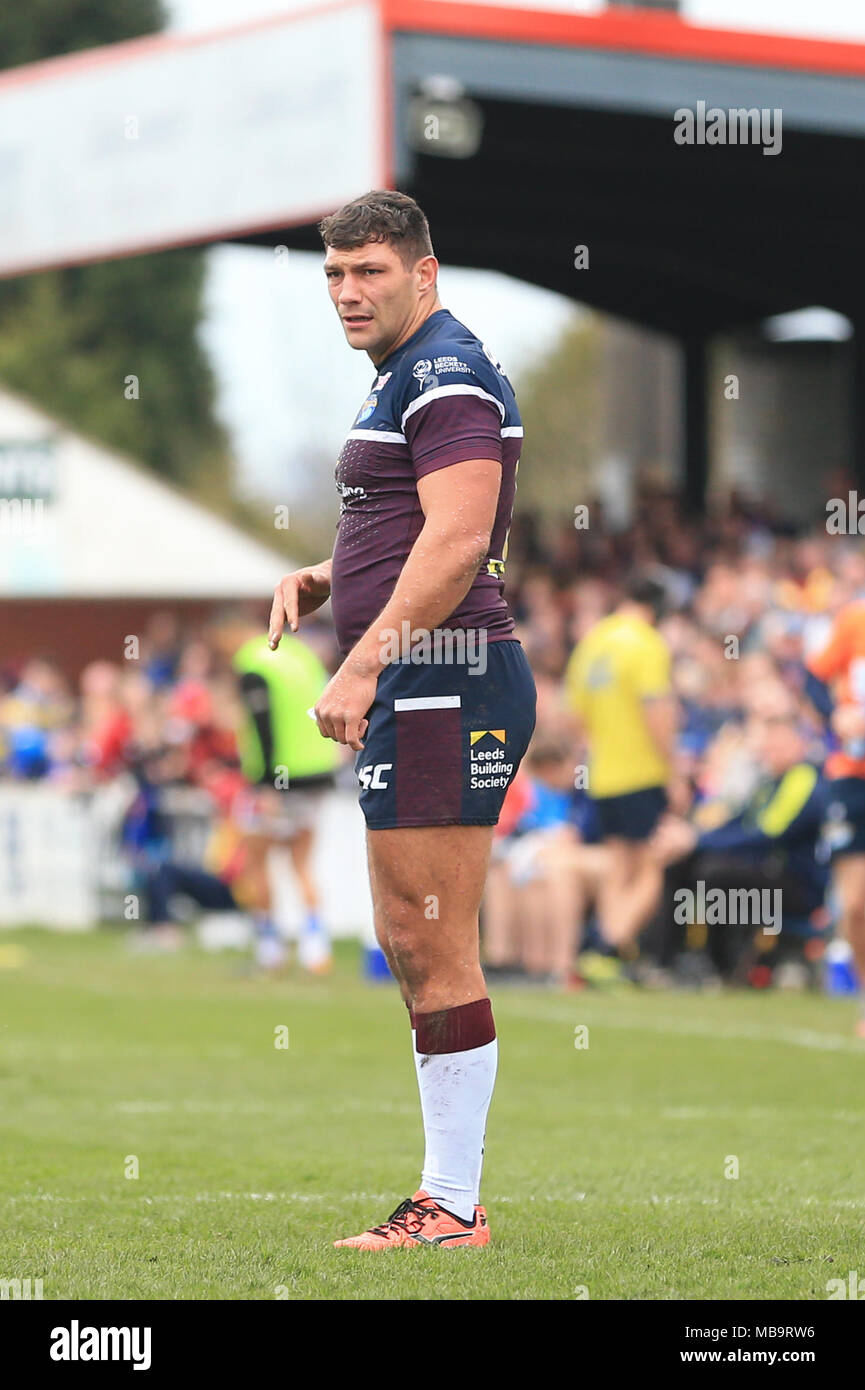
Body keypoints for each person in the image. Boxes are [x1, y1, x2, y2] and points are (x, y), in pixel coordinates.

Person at [269, 189, 536, 1249]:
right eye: (334, 274)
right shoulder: (404, 378)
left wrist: (362, 667)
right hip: (422, 675)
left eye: (369, 270)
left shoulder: (444, 371)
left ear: (423, 273)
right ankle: (449, 1198)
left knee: (432, 943)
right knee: (409, 939)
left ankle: (452, 1203)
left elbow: (461, 537)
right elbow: (415, 523)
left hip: (443, 675)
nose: (347, 292)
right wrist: (334, 575)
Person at [650, 699, 829, 983]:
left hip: (797, 884)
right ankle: (665, 962)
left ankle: (719, 965)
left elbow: (768, 834)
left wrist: (696, 840)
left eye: (778, 743)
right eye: (768, 743)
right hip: (763, 874)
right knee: (682, 863)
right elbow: (738, 822)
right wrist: (692, 838)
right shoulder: (768, 783)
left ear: (798, 742)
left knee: (715, 874)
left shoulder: (803, 779)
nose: (770, 750)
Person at [207, 609, 340, 973]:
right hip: (317, 773)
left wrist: (265, 784)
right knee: (301, 863)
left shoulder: (253, 664)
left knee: (255, 862)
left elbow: (263, 726)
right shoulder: (299, 654)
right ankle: (316, 946)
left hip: (276, 779)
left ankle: (270, 947)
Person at [564, 575, 677, 949]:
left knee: (618, 865)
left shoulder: (592, 643)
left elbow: (575, 716)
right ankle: (613, 943)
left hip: (603, 774)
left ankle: (606, 947)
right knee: (650, 866)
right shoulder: (647, 643)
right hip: (642, 771)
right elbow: (656, 712)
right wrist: (673, 770)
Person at [806, 599, 865, 1034]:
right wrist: (836, 717)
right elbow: (813, 678)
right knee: (857, 905)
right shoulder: (855, 618)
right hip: (853, 776)